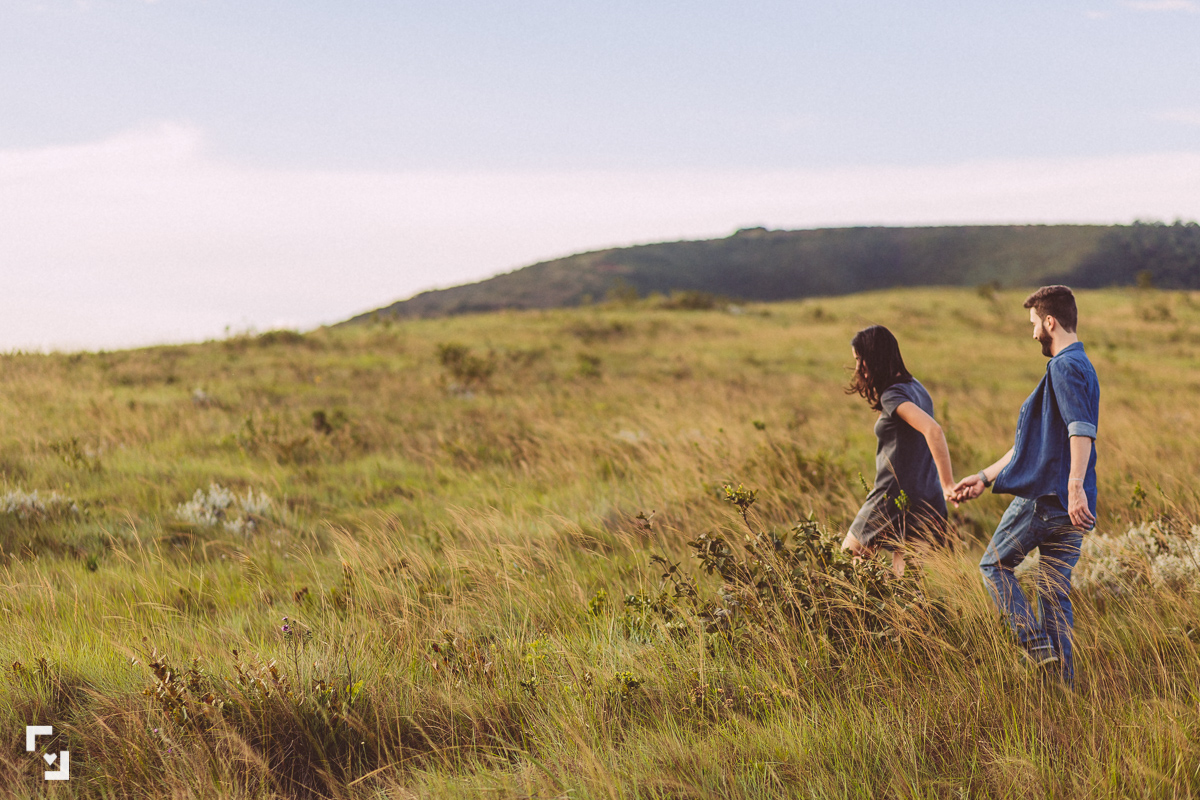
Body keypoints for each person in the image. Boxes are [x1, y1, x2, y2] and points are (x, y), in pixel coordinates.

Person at [953, 285, 1099, 686]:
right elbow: (1031, 442)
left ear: (1050, 321)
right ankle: (1063, 689)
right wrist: (984, 477)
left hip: (1047, 499)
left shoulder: (1062, 367)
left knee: (993, 565)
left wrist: (1072, 486)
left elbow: (1080, 430)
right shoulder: (1083, 364)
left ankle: (1036, 648)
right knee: (1053, 594)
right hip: (1072, 507)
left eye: (1034, 323)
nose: (1033, 332)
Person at [842, 325, 958, 576]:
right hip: (927, 496)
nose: (859, 367)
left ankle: (860, 614)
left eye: (860, 359)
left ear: (874, 357)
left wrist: (949, 484)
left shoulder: (893, 395)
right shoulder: (917, 387)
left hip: (892, 495)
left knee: (848, 557)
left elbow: (933, 430)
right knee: (906, 582)